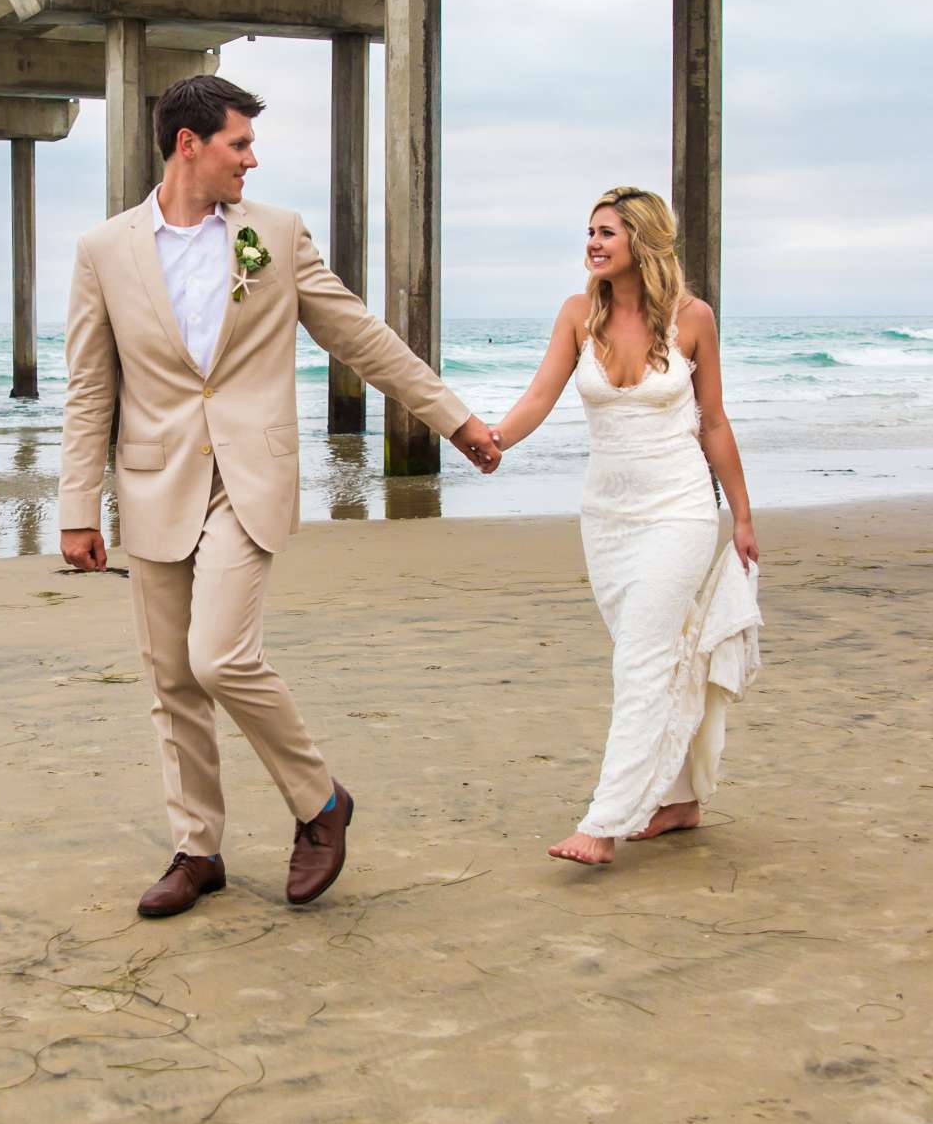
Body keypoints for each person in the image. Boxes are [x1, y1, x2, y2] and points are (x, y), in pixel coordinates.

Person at [59, 75, 502, 918]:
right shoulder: (104, 250)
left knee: (218, 654)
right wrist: (77, 507)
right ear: (188, 144)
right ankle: (198, 850)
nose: (251, 161)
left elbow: (359, 336)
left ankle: (319, 801)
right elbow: (90, 387)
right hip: (155, 483)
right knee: (173, 681)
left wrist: (454, 419)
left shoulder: (277, 234)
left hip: (249, 481)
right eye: (238, 144)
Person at [492, 186, 760, 868]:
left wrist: (743, 515)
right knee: (654, 656)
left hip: (679, 510)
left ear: (641, 239)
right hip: (607, 519)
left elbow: (715, 421)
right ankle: (681, 799)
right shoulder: (579, 315)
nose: (593, 242)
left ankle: (604, 821)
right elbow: (539, 395)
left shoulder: (693, 318)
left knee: (639, 660)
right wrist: (493, 440)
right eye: (590, 231)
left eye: (607, 231)